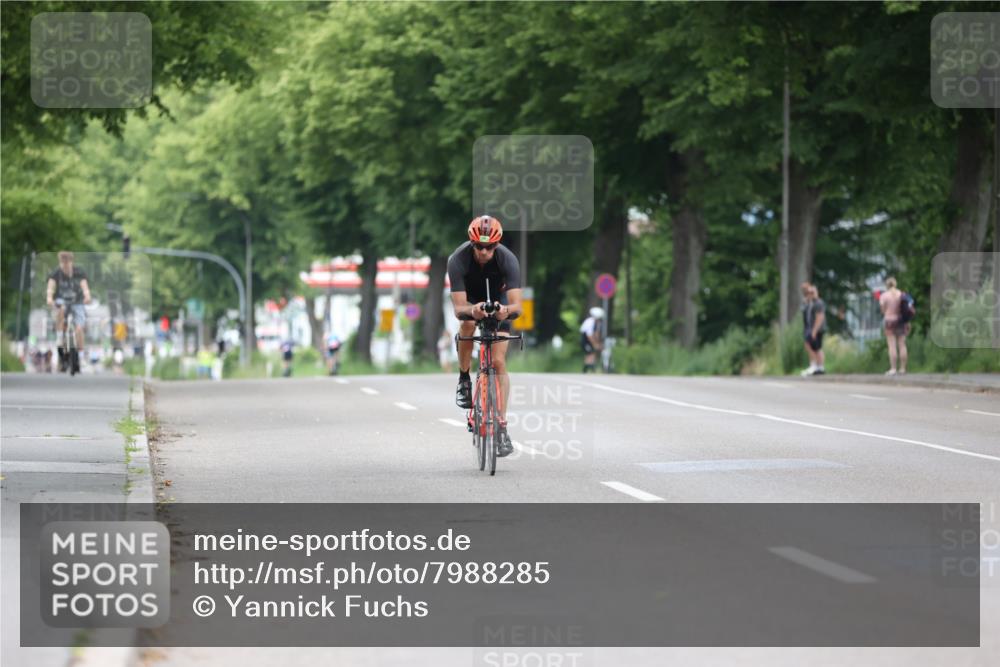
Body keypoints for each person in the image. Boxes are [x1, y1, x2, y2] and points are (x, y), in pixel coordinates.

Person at [448, 215, 523, 458]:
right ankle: (464, 378)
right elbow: (458, 309)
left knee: (499, 361)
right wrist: (473, 309)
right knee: (468, 324)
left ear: (496, 245)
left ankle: (501, 425)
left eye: (489, 247)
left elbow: (517, 307)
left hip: (498, 306)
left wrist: (505, 311)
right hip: (470, 302)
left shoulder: (508, 259)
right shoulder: (457, 260)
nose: (483, 251)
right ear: (471, 244)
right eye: (478, 246)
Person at [46, 251, 92, 371]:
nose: (65, 266)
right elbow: (51, 287)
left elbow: (85, 287)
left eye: (67, 263)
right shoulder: (56, 273)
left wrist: (87, 296)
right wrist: (49, 298)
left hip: (78, 301)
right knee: (60, 309)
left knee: (79, 328)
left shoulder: (79, 272)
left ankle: (81, 356)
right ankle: (60, 335)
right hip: (62, 301)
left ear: (71, 262)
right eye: (62, 263)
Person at [879, 276, 908, 376]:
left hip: (889, 321)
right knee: (902, 344)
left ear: (887, 285)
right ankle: (903, 368)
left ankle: (893, 368)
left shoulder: (884, 296)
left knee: (892, 345)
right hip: (901, 321)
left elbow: (883, 310)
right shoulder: (900, 294)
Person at [800, 282, 826, 376]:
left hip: (816, 329)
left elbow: (820, 317)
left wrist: (814, 331)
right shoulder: (810, 303)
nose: (809, 294)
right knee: (813, 347)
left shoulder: (818, 303)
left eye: (811, 292)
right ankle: (817, 366)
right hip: (810, 329)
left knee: (816, 348)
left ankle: (818, 366)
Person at [580, 307, 604, 373]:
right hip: (585, 340)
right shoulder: (589, 322)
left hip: (591, 339)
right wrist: (595, 344)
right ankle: (589, 368)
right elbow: (589, 335)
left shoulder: (598, 323)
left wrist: (598, 343)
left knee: (592, 353)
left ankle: (589, 368)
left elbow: (597, 334)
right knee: (590, 353)